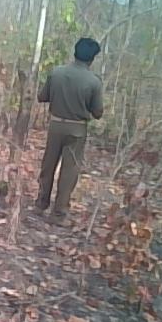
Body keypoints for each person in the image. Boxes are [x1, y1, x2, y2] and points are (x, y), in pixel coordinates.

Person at [34, 37, 104, 225]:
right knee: (69, 172)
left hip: (56, 125)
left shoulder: (56, 72)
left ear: (75, 52)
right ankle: (58, 214)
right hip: (77, 129)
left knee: (48, 165)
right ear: (92, 59)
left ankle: (40, 204)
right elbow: (98, 112)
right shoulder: (94, 82)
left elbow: (42, 97)